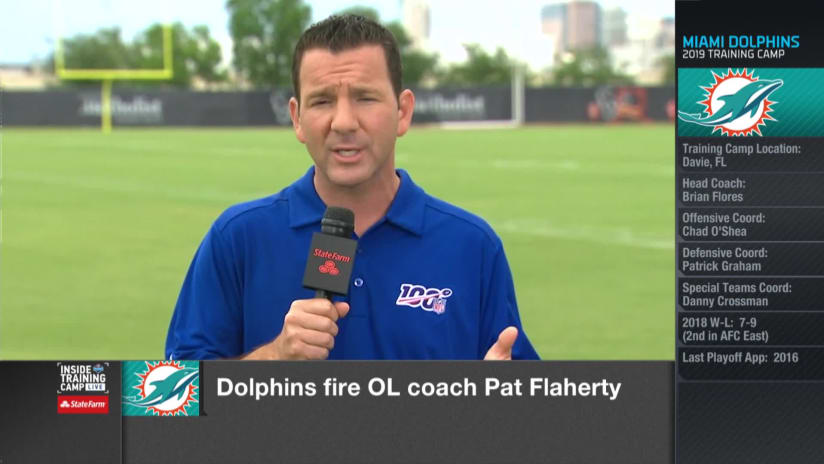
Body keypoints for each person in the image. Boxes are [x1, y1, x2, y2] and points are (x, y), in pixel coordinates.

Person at [165, 14, 539, 361]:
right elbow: (163, 402)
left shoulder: (471, 245)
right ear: (297, 118)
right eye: (323, 101)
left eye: (365, 97)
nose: (343, 121)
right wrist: (273, 357)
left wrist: (501, 399)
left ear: (402, 112)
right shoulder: (238, 237)